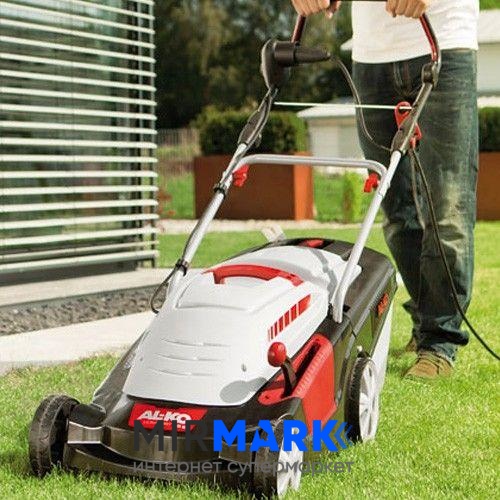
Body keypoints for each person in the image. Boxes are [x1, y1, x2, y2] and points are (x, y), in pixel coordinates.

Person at [290, 0, 479, 379]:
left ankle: (439, 343)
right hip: (371, 53)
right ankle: (425, 323)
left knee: (448, 207)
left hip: (444, 38)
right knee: (395, 208)